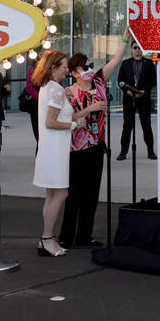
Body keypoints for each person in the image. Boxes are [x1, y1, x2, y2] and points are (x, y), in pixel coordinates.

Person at [32, 50, 106, 257]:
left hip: (50, 148)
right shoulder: (55, 89)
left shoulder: (49, 87)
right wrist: (74, 125)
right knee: (61, 193)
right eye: (64, 66)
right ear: (54, 68)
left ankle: (47, 238)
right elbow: (51, 122)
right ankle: (47, 238)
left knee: (52, 196)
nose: (67, 70)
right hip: (56, 149)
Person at [58, 42, 126, 248]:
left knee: (92, 194)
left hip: (97, 145)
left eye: (90, 65)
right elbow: (68, 118)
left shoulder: (98, 82)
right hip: (77, 149)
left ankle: (84, 236)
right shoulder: (68, 92)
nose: (89, 70)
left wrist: (125, 38)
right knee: (74, 194)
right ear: (74, 72)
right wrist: (91, 108)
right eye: (84, 67)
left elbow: (115, 60)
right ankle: (66, 236)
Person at [116, 41, 157, 161]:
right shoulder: (125, 63)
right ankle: (123, 152)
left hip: (143, 98)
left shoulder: (149, 63)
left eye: (140, 47)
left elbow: (153, 81)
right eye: (135, 48)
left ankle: (151, 151)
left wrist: (145, 91)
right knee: (127, 126)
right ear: (131, 49)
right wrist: (126, 91)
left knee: (146, 126)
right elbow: (120, 80)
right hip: (129, 99)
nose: (137, 50)